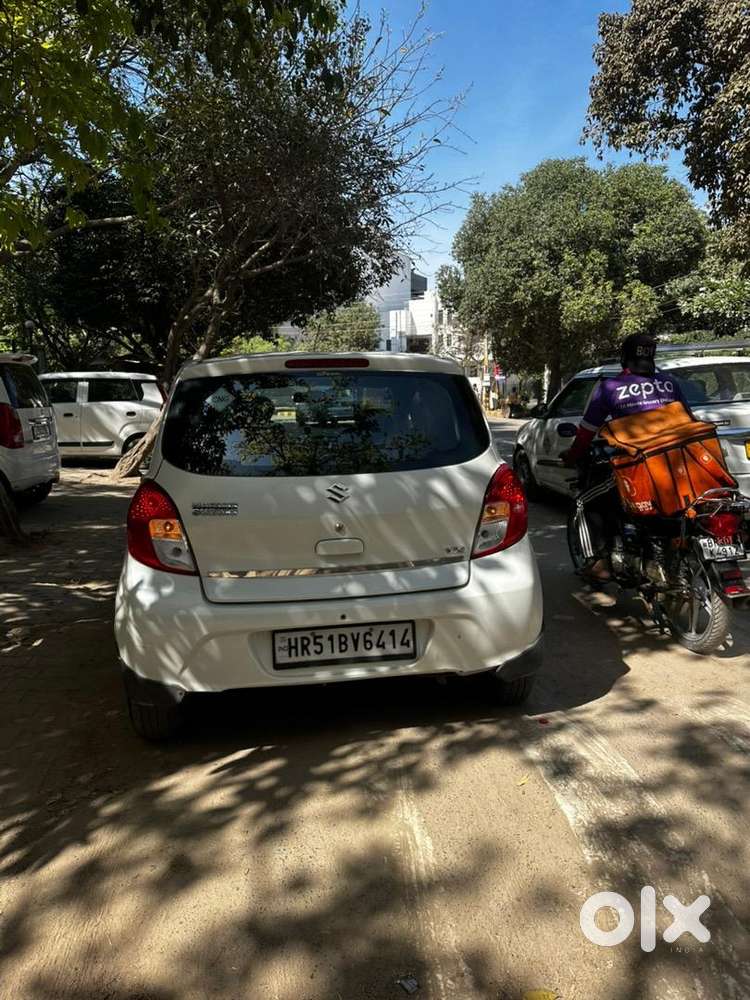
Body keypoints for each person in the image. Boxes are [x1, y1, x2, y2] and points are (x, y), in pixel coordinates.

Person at [561, 333, 689, 580]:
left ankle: (599, 563)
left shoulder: (610, 388)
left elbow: (586, 433)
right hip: (678, 468)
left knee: (583, 502)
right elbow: (688, 420)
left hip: (638, 469)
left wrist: (572, 456)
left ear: (623, 358)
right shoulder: (670, 383)